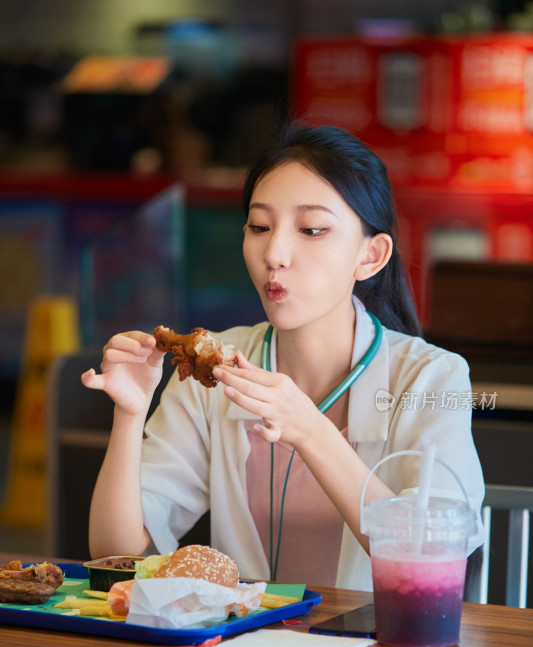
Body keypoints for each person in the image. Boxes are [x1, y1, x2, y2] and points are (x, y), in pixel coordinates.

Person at [82, 122, 484, 590]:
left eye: (311, 229)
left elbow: (432, 559)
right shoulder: (215, 371)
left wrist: (309, 429)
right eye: (259, 226)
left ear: (370, 257)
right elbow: (117, 553)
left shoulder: (434, 378)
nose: (275, 252)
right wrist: (129, 415)